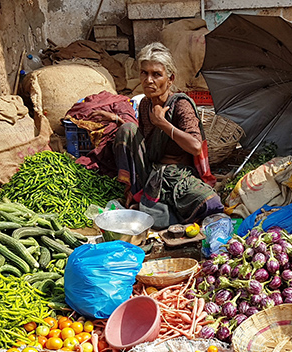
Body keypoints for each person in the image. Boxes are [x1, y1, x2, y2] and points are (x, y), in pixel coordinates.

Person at [90, 42, 223, 229]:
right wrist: (116, 119)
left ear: (170, 79)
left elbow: (195, 146)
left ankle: (149, 204)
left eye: (156, 74)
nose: (148, 80)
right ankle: (139, 194)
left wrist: (164, 124)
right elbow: (143, 140)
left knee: (210, 203)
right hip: (152, 173)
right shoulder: (145, 104)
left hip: (179, 176)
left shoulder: (180, 105)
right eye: (144, 73)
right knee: (127, 129)